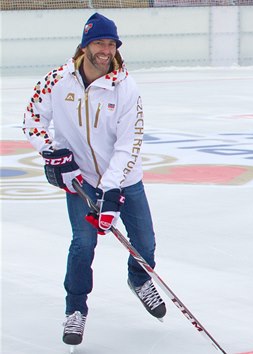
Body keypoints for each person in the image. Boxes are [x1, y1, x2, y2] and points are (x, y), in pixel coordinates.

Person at [22, 13, 166, 346]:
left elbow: (129, 142)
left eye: (111, 44)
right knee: (83, 244)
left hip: (125, 179)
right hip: (80, 180)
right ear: (86, 45)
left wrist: (112, 189)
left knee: (144, 244)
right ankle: (76, 309)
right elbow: (32, 118)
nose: (106, 50)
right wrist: (53, 153)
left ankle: (139, 278)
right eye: (100, 43)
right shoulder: (57, 80)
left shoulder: (126, 86)